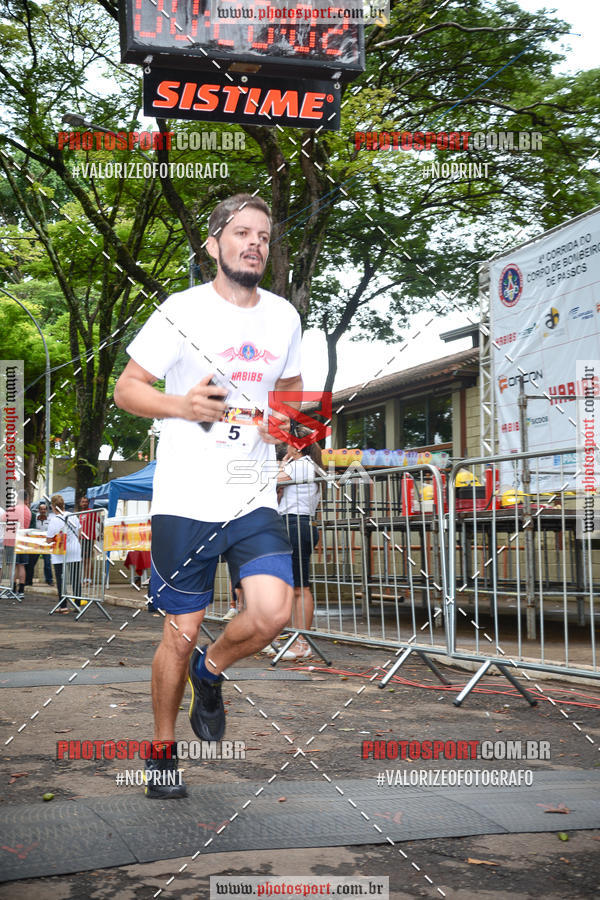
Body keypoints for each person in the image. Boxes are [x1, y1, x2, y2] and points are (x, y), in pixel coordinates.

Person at [114, 193, 302, 799]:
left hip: (251, 492)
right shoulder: (179, 310)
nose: (254, 244)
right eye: (242, 232)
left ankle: (212, 669)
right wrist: (181, 405)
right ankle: (163, 752)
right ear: (214, 243)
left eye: (264, 236)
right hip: (186, 497)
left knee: (273, 612)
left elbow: (292, 390)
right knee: (180, 630)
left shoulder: (283, 317)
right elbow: (127, 388)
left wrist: (290, 427)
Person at [267, 431, 322, 660]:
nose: (284, 446)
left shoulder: (300, 466)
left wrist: (281, 465)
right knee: (291, 586)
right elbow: (278, 495)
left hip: (296, 524)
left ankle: (302, 642)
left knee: (300, 587)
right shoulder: (306, 466)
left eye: (288, 443)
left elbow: (273, 482)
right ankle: (293, 638)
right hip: (293, 523)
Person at [46, 494, 82, 613]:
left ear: (53, 506)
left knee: (60, 577)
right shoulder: (73, 516)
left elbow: (49, 539)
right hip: (75, 548)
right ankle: (77, 604)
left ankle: (63, 605)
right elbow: (80, 533)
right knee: (75, 577)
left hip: (60, 551)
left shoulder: (54, 520)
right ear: (64, 505)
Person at [8, 490, 32, 599]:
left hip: (13, 539)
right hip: (24, 539)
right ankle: (21, 591)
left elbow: (4, 519)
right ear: (26, 499)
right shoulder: (28, 510)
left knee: (12, 565)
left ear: (17, 498)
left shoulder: (13, 509)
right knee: (22, 565)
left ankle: (12, 590)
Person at [25, 501, 54, 588]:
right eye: (41, 509)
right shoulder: (35, 519)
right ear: (38, 510)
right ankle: (28, 580)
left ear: (46, 510)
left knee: (47, 562)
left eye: (44, 509)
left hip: (46, 544)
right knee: (32, 562)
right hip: (36, 544)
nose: (43, 511)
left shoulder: (50, 520)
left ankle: (49, 580)